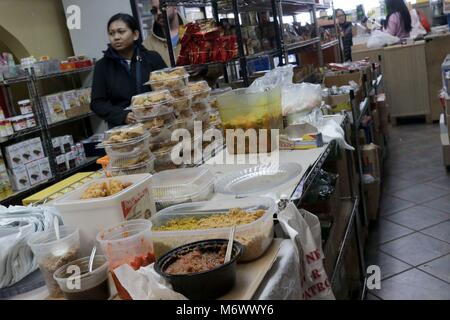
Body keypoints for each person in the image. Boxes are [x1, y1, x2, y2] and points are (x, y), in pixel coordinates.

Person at [91, 13, 167, 128]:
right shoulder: (102, 66)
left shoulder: (152, 58)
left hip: (156, 123)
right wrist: (123, 116)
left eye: (121, 32)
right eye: (111, 33)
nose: (116, 37)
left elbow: (167, 87)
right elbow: (97, 103)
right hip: (124, 130)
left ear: (135, 35)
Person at [143, 0, 185, 66]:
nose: (159, 12)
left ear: (175, 6)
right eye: (154, 10)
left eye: (163, 7)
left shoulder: (194, 32)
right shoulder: (147, 45)